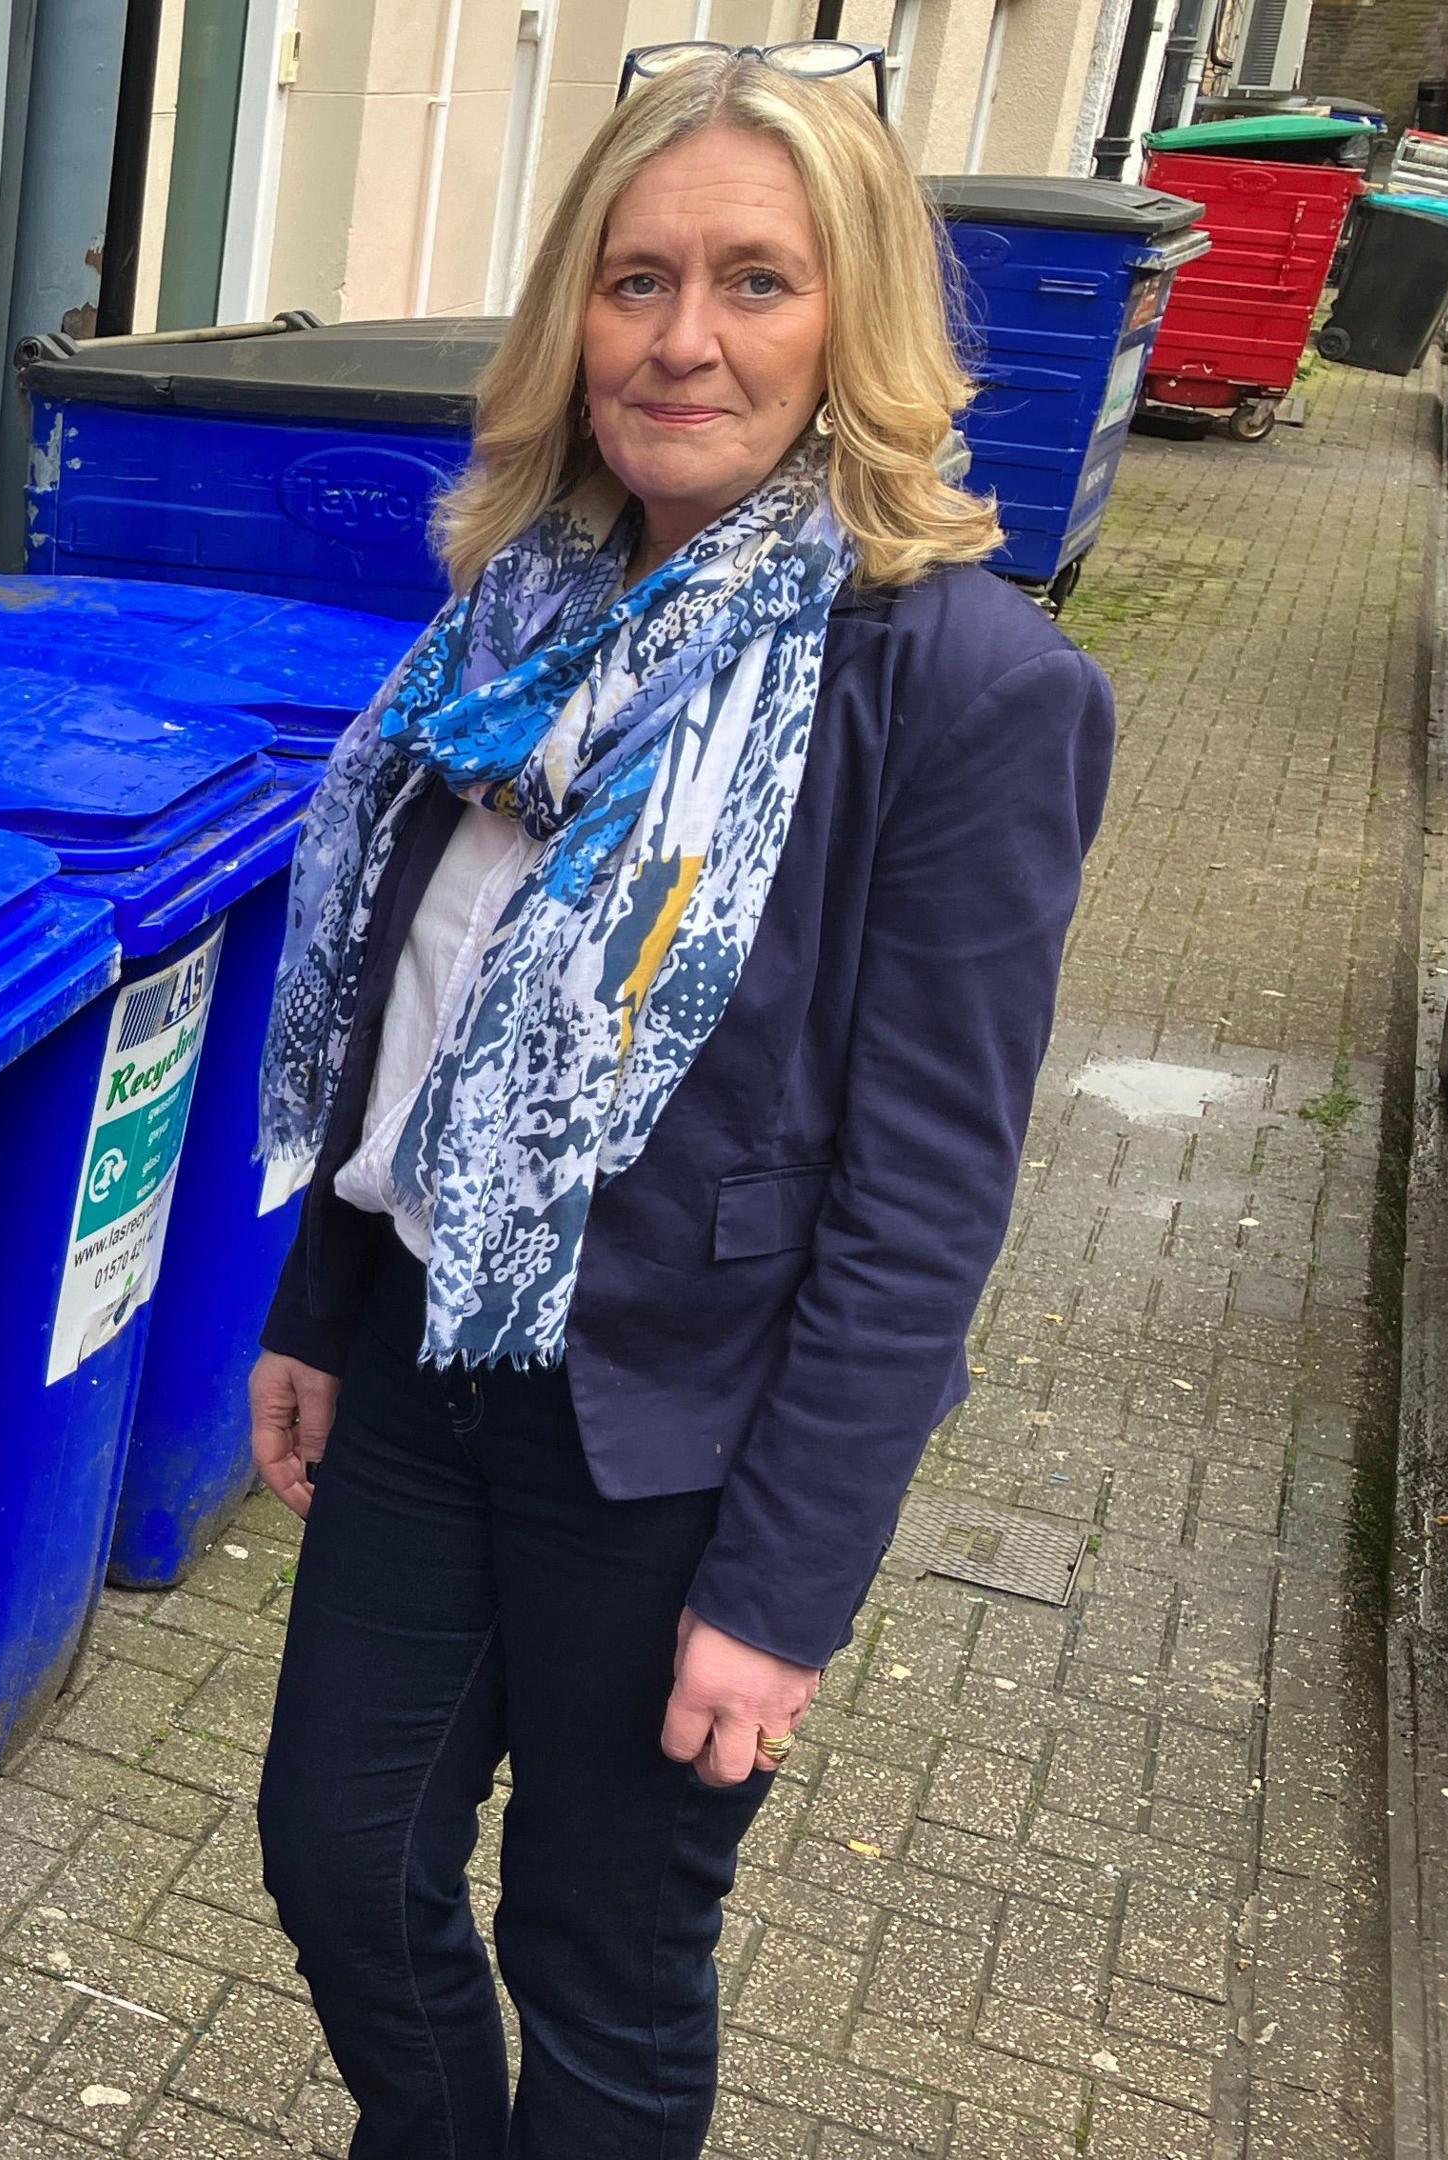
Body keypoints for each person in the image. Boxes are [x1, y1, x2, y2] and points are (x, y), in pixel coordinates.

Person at [244, 44, 1114, 2159]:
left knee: (601, 1968)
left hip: (673, 1451)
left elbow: (923, 1207)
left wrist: (783, 1595)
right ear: (572, 319)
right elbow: (419, 1006)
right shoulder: (519, 614)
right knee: (339, 1862)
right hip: (437, 1372)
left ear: (857, 325)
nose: (684, 339)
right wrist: (316, 1303)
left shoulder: (969, 690)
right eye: (637, 281)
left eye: (755, 282)